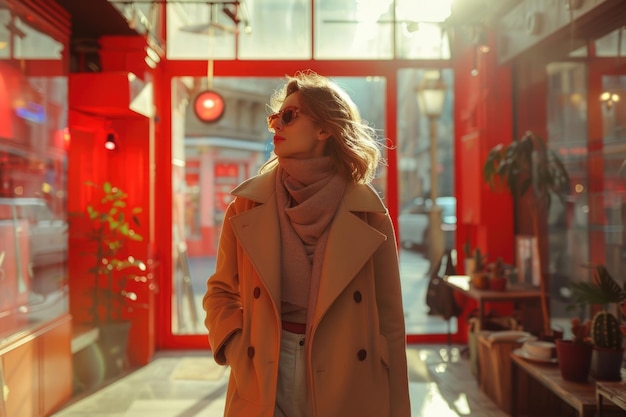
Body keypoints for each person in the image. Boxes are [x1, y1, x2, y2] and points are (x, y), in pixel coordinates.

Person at [202, 70, 410, 417]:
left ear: (324, 129)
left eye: (289, 116)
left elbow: (390, 320)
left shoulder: (369, 213)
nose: (276, 127)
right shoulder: (247, 206)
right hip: (267, 365)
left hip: (349, 373)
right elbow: (220, 291)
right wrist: (240, 349)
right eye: (275, 117)